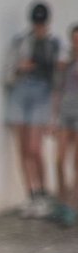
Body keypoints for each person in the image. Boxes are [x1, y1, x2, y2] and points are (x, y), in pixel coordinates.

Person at [4, 1, 62, 217]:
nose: (39, 26)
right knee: (22, 148)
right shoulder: (20, 42)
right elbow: (7, 73)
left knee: (34, 148)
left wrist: (54, 114)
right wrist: (21, 67)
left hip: (42, 96)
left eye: (42, 22)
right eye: (36, 22)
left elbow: (57, 79)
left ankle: (43, 193)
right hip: (21, 93)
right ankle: (31, 194)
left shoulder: (54, 44)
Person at [54, 22, 78, 227]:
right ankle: (62, 200)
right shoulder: (66, 62)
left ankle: (72, 204)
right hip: (65, 114)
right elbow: (57, 89)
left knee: (76, 163)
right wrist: (53, 117)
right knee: (59, 159)